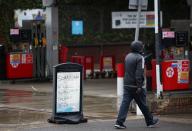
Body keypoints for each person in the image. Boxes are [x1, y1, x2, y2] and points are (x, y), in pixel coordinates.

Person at [114, 41, 159, 129]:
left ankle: (119, 122)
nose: (143, 48)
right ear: (139, 48)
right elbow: (139, 73)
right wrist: (139, 86)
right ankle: (150, 122)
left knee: (125, 103)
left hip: (127, 84)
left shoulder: (128, 56)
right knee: (142, 104)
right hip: (136, 86)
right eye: (142, 46)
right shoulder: (140, 58)